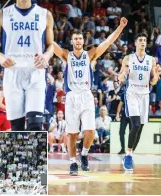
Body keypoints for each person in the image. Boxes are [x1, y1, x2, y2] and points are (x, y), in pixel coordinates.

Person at [53, 17, 128, 175]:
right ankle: (73, 163)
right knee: (72, 133)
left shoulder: (90, 54)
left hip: (87, 95)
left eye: (80, 38)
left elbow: (107, 42)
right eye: (75, 39)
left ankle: (84, 154)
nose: (78, 41)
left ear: (83, 40)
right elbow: (52, 45)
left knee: (90, 131)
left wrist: (120, 28)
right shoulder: (67, 55)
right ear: (72, 41)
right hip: (72, 96)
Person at [0, 0, 54, 130]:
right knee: (16, 127)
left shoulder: (45, 14)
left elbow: (51, 45)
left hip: (36, 71)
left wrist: (46, 57)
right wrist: (1, 57)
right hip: (13, 72)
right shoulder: (2, 14)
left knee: (35, 125)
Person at [118, 32, 161, 170]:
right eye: (140, 40)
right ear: (136, 43)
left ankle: (129, 154)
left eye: (145, 40)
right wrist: (123, 75)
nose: (143, 42)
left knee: (140, 127)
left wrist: (157, 75)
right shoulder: (128, 58)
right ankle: (129, 155)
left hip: (145, 95)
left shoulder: (151, 60)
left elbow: (153, 81)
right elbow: (121, 76)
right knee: (135, 125)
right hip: (132, 94)